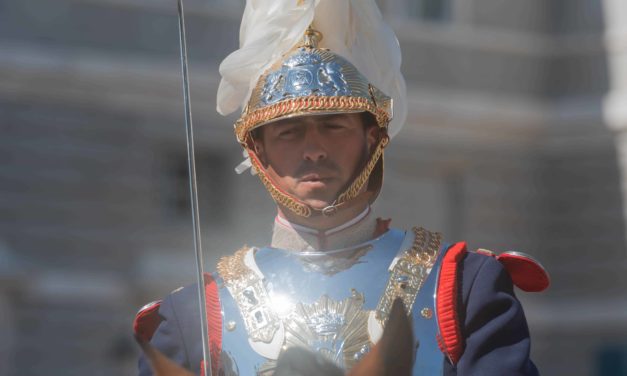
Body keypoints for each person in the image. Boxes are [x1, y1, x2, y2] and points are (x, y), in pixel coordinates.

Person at [135, 1, 549, 375]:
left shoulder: (463, 286)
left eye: (333, 126)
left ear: (372, 138)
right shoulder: (192, 316)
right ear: (257, 150)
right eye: (289, 132)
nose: (313, 150)